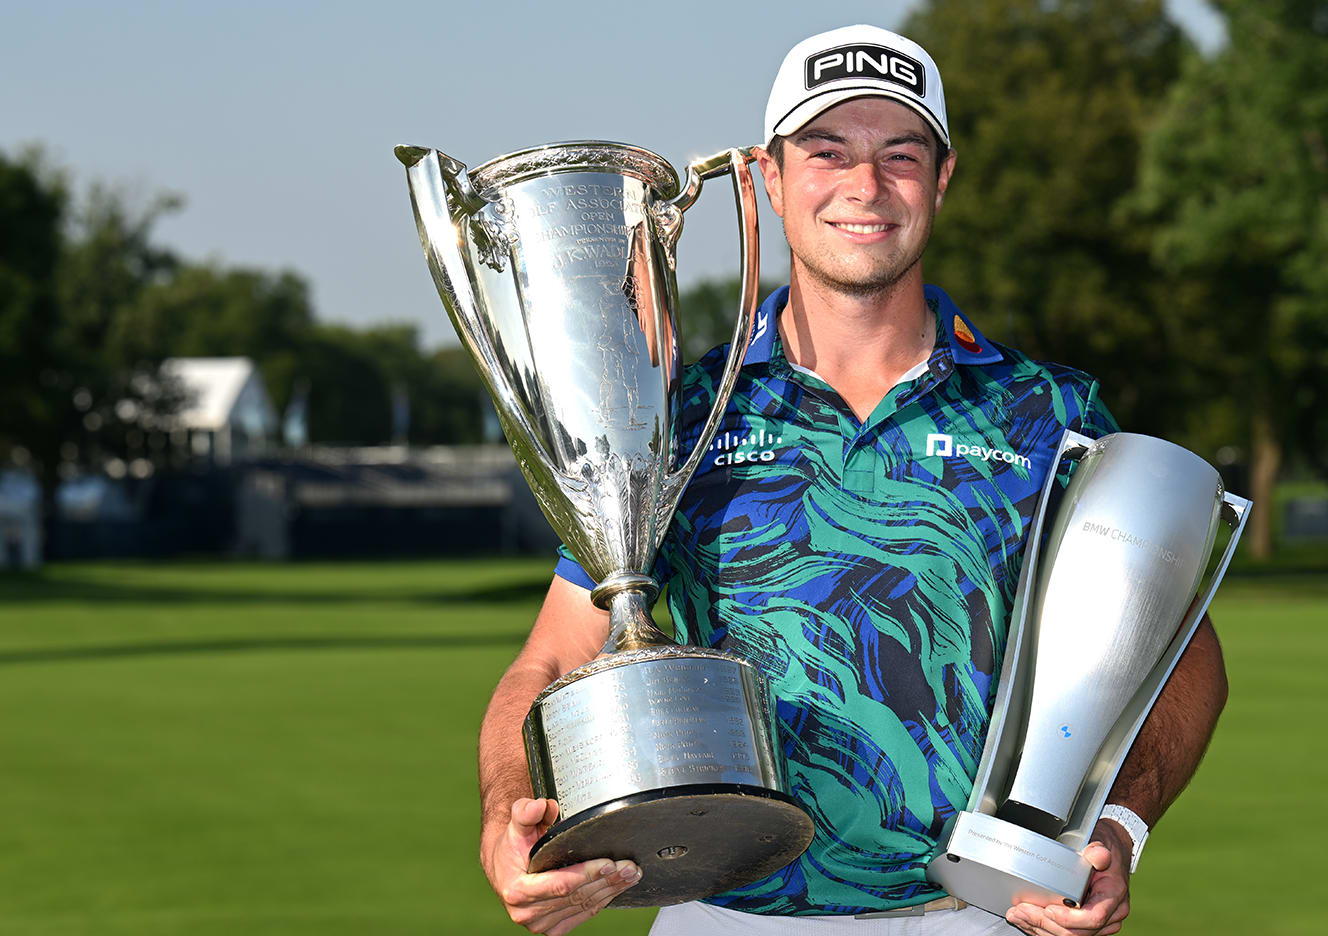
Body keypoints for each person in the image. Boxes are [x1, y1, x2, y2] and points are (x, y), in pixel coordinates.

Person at [478, 24, 1229, 936]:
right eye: (828, 152)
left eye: (900, 155)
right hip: (725, 912)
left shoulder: (1048, 415)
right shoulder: (672, 411)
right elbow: (554, 658)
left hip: (981, 914)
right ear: (769, 175)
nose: (864, 188)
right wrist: (507, 815)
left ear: (943, 178)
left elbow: (1181, 655)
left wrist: (1119, 822)